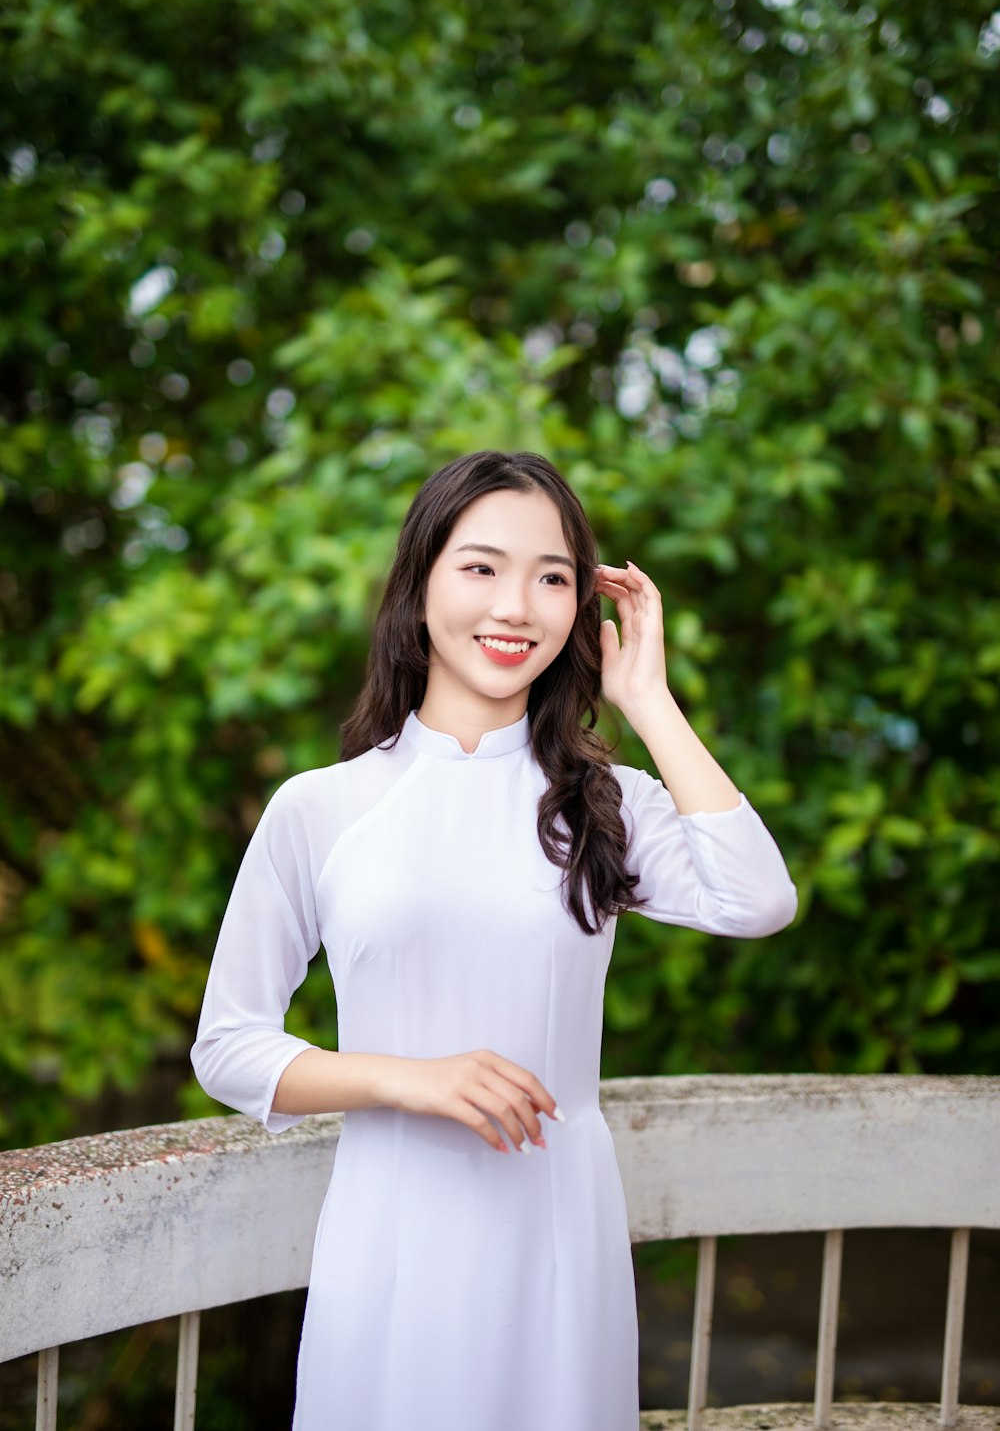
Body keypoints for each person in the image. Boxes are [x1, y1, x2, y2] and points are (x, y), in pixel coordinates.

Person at [191, 448, 797, 1431]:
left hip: (557, 1231)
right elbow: (228, 1047)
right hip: (388, 1232)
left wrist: (647, 699)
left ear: (581, 609)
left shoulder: (600, 807)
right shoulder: (324, 807)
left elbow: (757, 899)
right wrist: (407, 1078)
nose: (517, 606)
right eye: (480, 567)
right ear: (420, 583)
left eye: (552, 577)